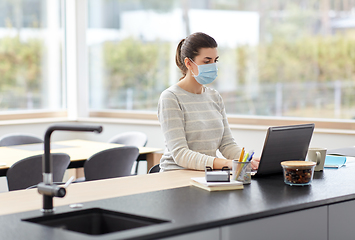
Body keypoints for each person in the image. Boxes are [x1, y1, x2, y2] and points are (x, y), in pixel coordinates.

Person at [157, 32, 260, 172]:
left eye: (215, 60)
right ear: (188, 63)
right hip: (176, 176)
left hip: (207, 176)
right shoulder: (170, 97)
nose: (212, 66)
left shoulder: (214, 97)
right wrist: (227, 163)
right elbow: (180, 154)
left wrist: (247, 160)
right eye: (206, 61)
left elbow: (226, 144)